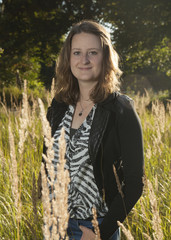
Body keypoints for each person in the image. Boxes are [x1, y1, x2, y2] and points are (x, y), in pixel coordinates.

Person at [45, 20, 144, 240]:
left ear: (106, 57)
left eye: (92, 52)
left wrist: (101, 233)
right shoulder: (59, 106)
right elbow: (47, 163)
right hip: (55, 225)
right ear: (68, 59)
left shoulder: (121, 109)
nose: (84, 60)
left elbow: (135, 183)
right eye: (77, 52)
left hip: (96, 227)